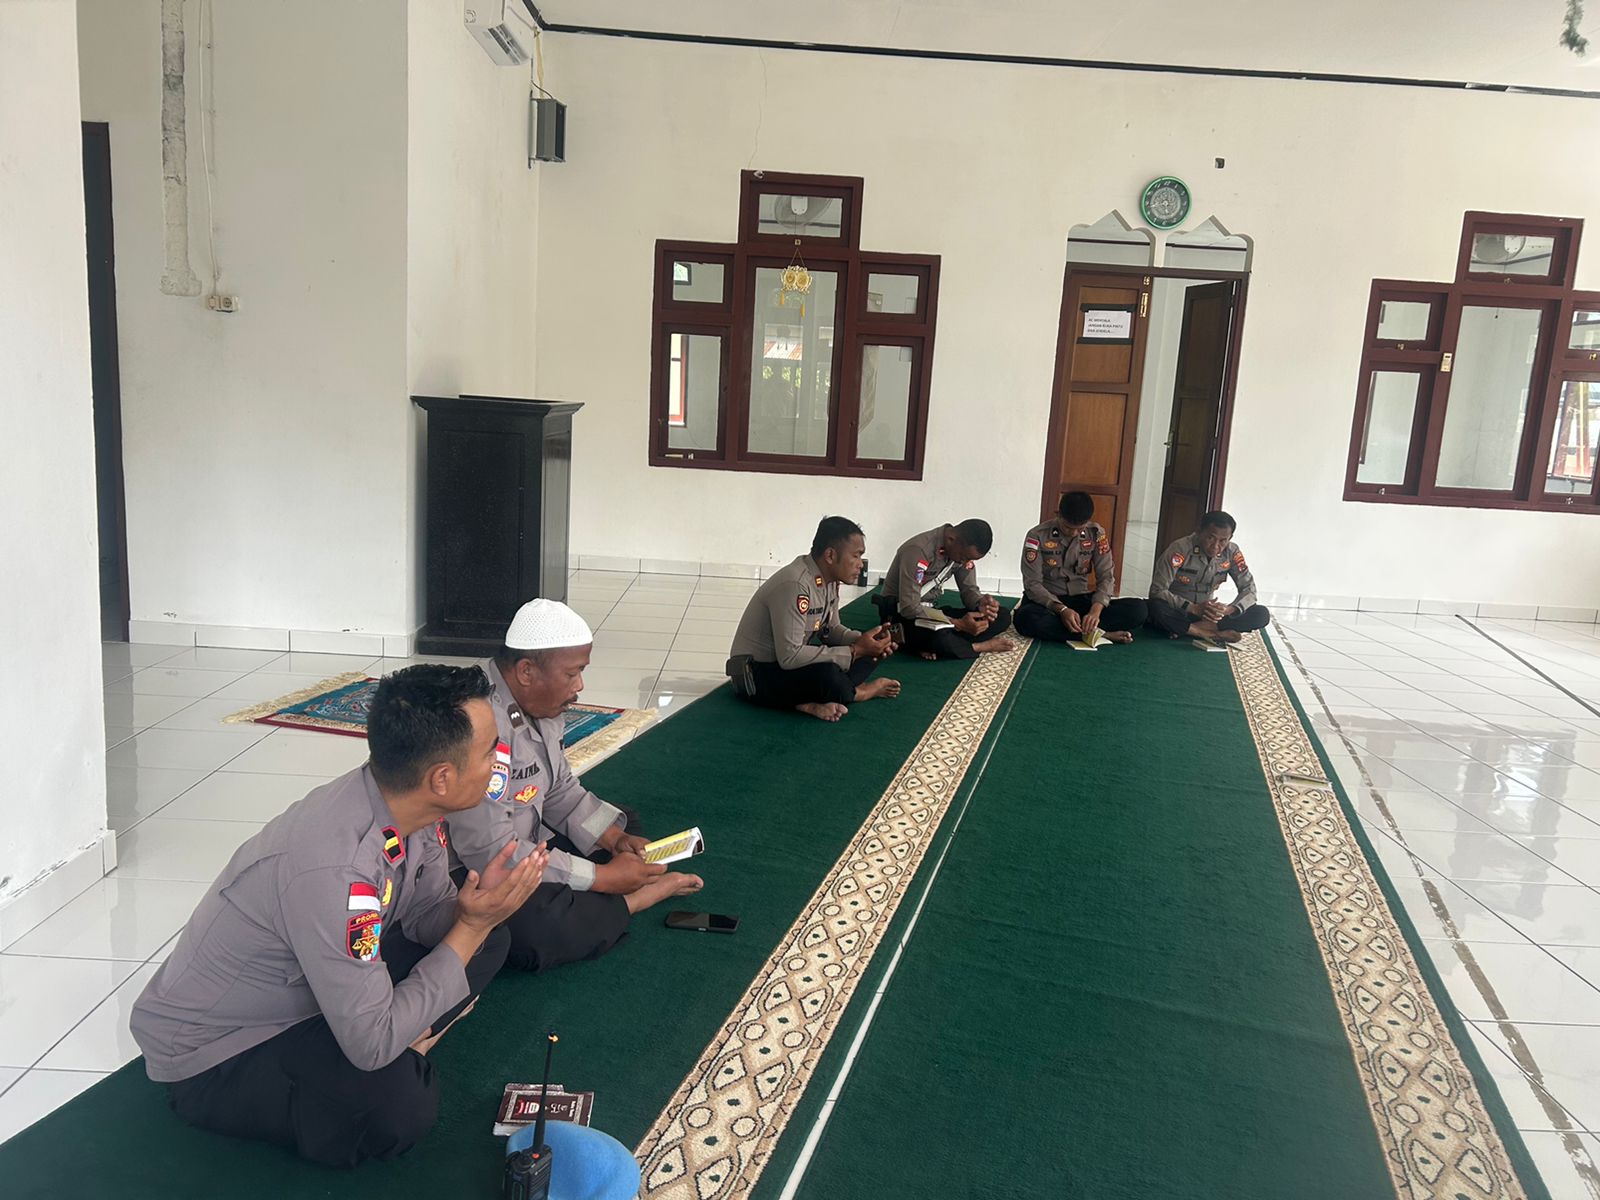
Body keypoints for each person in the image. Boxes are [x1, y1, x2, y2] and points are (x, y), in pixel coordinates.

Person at [129, 665, 543, 1167]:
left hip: (311, 987)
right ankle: (408, 1042)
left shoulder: (406, 803)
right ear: (442, 778)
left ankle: (409, 1035)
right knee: (399, 1104)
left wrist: (474, 910)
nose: (499, 760)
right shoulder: (335, 868)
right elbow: (371, 1046)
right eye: (489, 752)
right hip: (224, 1048)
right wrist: (470, 926)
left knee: (490, 938)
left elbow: (423, 915)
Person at [447, 598, 704, 972]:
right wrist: (603, 878)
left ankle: (606, 892)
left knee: (621, 824)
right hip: (470, 868)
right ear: (526, 671)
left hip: (527, 840)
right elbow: (491, 853)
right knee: (536, 930)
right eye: (572, 673)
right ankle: (631, 901)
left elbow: (559, 790)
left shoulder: (540, 703)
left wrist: (614, 839)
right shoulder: (479, 725)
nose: (580, 686)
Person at [726, 515, 900, 722]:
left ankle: (812, 700)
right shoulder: (796, 585)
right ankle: (859, 692)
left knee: (872, 655)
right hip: (756, 674)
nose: (860, 564)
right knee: (829, 676)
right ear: (830, 555)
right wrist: (855, 650)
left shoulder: (828, 581)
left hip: (786, 666)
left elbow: (831, 630)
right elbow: (790, 656)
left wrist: (865, 641)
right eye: (856, 556)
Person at [1013, 492, 1149, 644]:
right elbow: (1032, 584)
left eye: (1079, 529)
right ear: (1058, 515)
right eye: (1067, 527)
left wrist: (1095, 611)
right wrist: (1062, 610)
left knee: (1138, 609)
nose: (1073, 533)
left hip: (1081, 600)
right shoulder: (1037, 535)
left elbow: (1106, 576)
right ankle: (1100, 635)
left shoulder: (1096, 534)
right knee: (1025, 618)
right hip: (1048, 603)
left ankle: (1083, 628)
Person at [874, 519, 1017, 660]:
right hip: (900, 616)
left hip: (931, 614)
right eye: (964, 557)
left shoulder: (959, 551)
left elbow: (969, 590)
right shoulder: (918, 550)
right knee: (938, 637)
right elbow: (909, 608)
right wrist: (958, 624)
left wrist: (981, 604)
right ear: (951, 539)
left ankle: (936, 644)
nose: (966, 562)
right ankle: (977, 646)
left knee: (1002, 616)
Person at [1147, 510, 1270, 643]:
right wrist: (1193, 608)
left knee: (1261, 614)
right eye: (1211, 538)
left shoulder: (1232, 552)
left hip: (1208, 615)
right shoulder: (1180, 549)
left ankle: (1187, 629)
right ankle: (1207, 633)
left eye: (1223, 541)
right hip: (1179, 610)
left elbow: (1249, 590)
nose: (1216, 546)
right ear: (1199, 531)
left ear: (1230, 538)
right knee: (1154, 608)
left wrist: (1227, 610)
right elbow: (1157, 590)